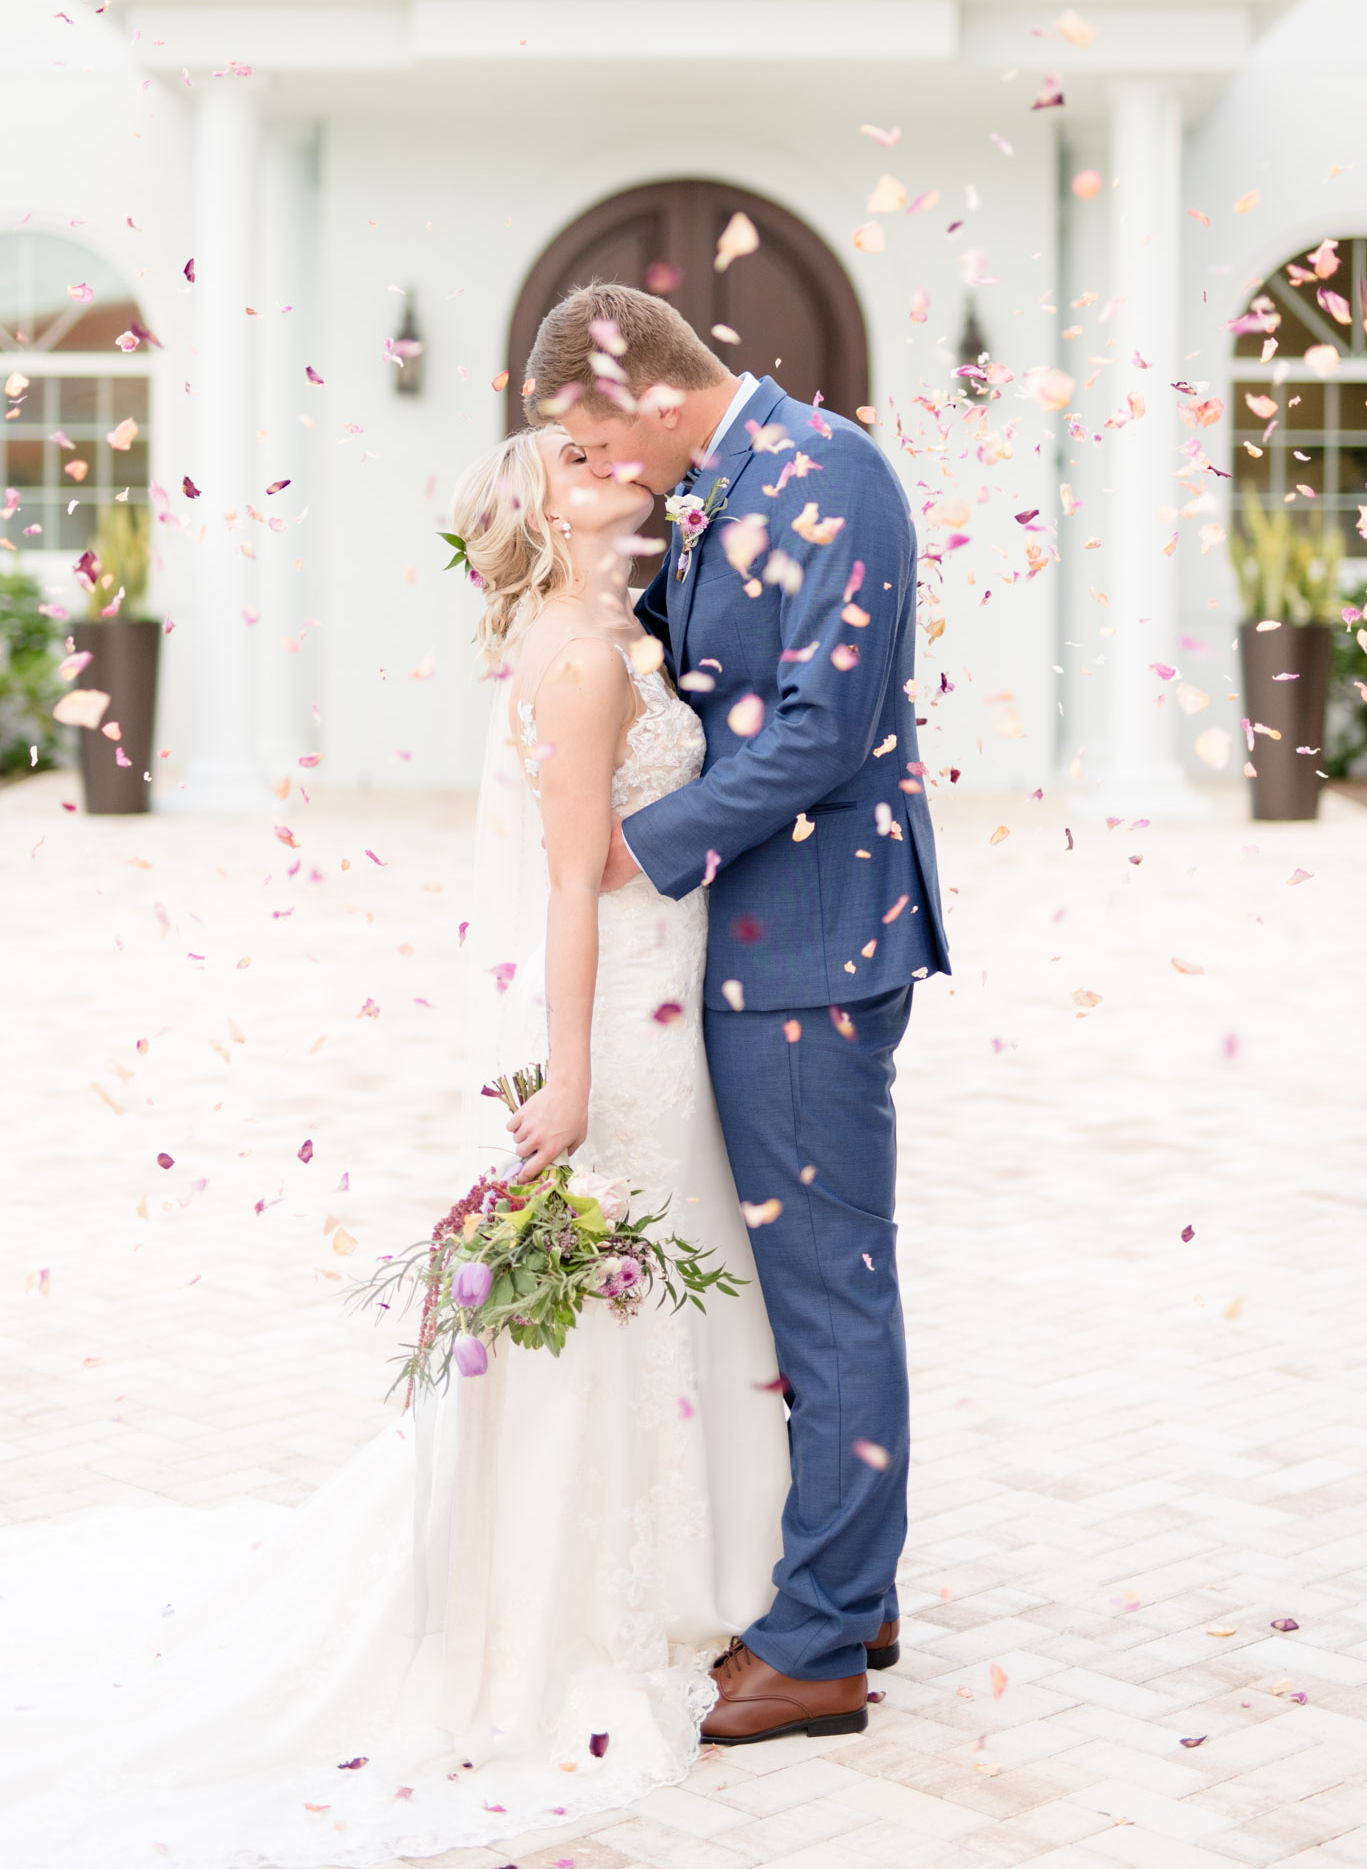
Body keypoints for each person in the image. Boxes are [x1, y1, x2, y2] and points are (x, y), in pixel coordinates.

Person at [0, 424, 791, 1865]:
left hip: (658, 989)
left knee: (658, 1291)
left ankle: (681, 1566)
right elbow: (568, 884)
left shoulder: (615, 628)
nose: (620, 461)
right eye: (581, 458)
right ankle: (587, 1596)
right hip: (619, 1014)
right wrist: (569, 1075)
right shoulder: (576, 655)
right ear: (545, 514)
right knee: (622, 1293)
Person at [525, 281, 950, 1744]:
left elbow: (828, 732)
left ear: (642, 391)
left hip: (818, 949)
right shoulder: (715, 489)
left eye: (595, 441)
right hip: (742, 944)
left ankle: (825, 1643)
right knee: (786, 1293)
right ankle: (853, 1574)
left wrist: (628, 854)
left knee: (828, 1291)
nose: (607, 474)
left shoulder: (830, 474)